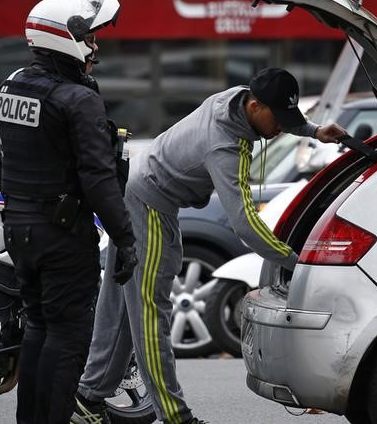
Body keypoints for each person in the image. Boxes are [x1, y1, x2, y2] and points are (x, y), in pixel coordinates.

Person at [73, 68, 347, 424]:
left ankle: (87, 398)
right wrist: (295, 261)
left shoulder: (232, 97)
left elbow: (277, 116)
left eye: (286, 118)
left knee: (123, 307)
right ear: (254, 106)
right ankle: (176, 417)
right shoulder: (225, 146)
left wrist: (312, 130)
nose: (280, 127)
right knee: (149, 314)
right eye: (277, 118)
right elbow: (246, 223)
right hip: (148, 204)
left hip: (135, 192)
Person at [0, 0, 138, 424]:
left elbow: (2, 161)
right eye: (90, 37)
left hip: (19, 228)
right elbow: (97, 178)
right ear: (65, 37)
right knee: (69, 338)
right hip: (61, 234)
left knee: (38, 329)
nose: (95, 46)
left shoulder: (11, 84)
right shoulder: (78, 99)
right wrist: (125, 238)